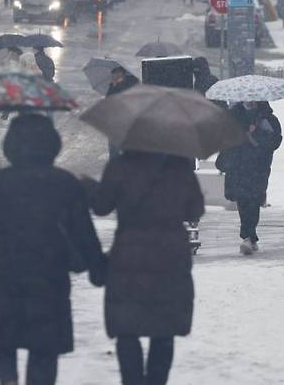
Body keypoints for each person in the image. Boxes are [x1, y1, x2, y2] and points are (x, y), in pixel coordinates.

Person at [0, 114, 106, 385]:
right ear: (52, 144)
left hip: (5, 270)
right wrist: (97, 266)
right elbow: (82, 231)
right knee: (44, 343)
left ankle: (8, 380)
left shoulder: (0, 180)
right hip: (49, 272)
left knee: (4, 338)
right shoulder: (64, 182)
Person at [82, 151, 204, 385]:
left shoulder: (120, 166)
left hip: (129, 255)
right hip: (170, 256)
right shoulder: (179, 168)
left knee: (127, 328)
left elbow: (101, 206)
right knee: (164, 329)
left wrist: (88, 186)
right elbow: (194, 210)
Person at [215, 102, 282, 255]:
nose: (250, 101)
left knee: (253, 201)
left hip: (258, 167)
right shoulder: (232, 117)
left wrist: (255, 135)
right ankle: (248, 237)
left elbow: (274, 141)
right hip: (238, 166)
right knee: (243, 200)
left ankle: (249, 236)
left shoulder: (267, 118)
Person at [106, 67, 139, 160]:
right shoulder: (113, 85)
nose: (111, 77)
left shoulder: (131, 83)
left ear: (120, 74)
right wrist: (113, 86)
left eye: (113, 75)